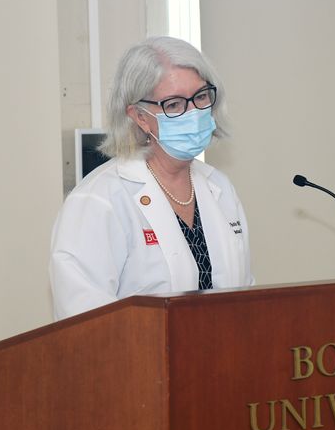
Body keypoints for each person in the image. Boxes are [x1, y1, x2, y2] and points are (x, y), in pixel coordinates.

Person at [50, 36, 253, 320]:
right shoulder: (99, 201)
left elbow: (245, 296)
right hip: (137, 362)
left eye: (201, 96)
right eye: (173, 104)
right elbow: (84, 324)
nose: (193, 112)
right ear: (140, 117)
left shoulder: (219, 187)